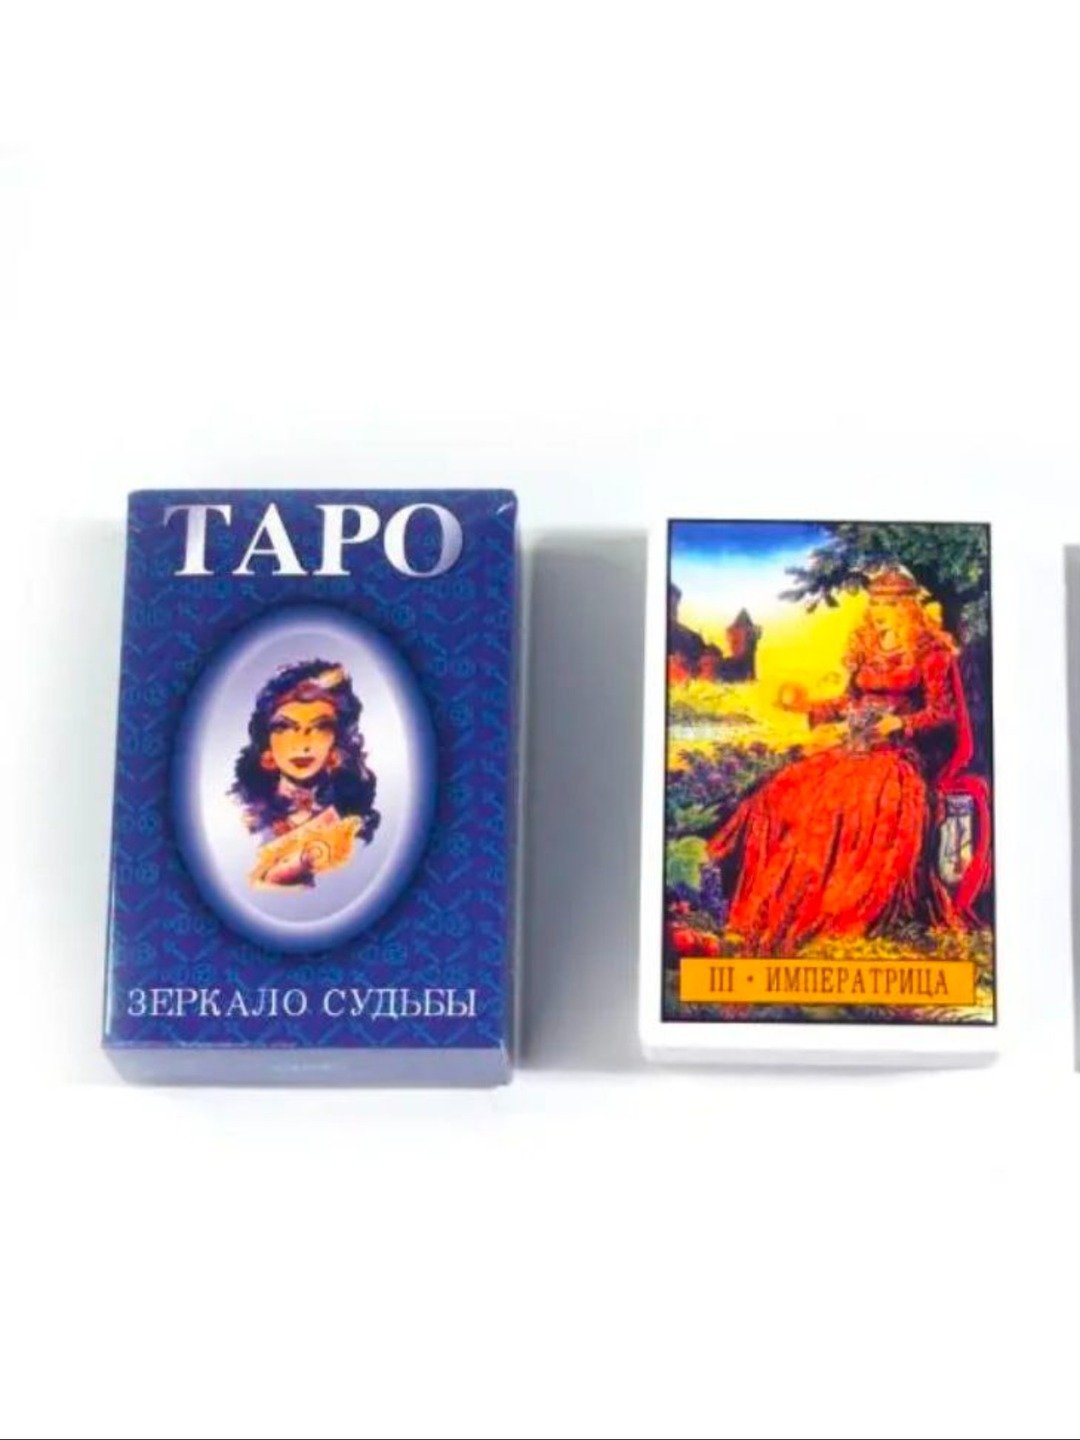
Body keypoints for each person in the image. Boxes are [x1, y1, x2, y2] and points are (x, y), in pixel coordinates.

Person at [704, 567, 990, 955]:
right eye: (875, 603)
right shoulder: (867, 647)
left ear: (908, 607)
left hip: (897, 756)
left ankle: (826, 918)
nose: (879, 611)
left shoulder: (932, 654)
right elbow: (849, 701)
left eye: (889, 604)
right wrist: (809, 705)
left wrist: (900, 724)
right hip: (856, 747)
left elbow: (944, 714)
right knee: (782, 793)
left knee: (847, 802)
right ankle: (757, 910)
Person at [231, 660, 380, 889]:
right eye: (284, 727)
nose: (303, 744)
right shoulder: (244, 819)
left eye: (321, 727)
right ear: (266, 745)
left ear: (336, 745)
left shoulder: (350, 819)